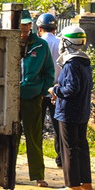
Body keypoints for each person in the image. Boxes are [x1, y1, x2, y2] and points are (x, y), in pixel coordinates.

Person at [18, 9, 56, 187]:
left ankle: (38, 175)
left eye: (27, 24)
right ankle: (8, 173)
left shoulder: (41, 45)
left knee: (34, 137)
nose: (24, 28)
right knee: (10, 137)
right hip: (10, 97)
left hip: (32, 97)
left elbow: (49, 71)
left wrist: (41, 92)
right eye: (21, 25)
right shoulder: (8, 42)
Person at [52, 26, 92, 190]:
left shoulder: (71, 64)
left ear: (68, 42)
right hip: (82, 110)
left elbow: (71, 89)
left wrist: (55, 90)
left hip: (68, 111)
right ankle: (86, 183)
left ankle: (73, 185)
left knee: (69, 148)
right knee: (81, 145)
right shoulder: (85, 62)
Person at [36, 13, 63, 166]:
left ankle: (37, 159)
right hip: (57, 91)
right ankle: (61, 158)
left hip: (40, 91)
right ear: (55, 28)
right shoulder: (61, 43)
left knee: (37, 127)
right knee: (59, 126)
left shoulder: (38, 43)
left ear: (39, 28)